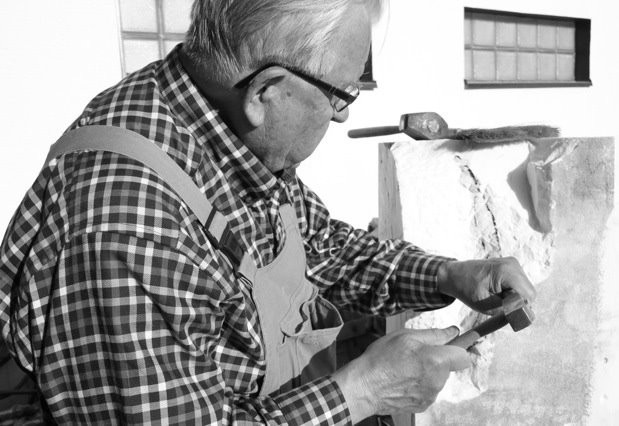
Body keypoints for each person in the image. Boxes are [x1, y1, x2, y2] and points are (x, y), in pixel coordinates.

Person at [0, 0, 536, 424]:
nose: (343, 116)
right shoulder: (127, 226)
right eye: (342, 94)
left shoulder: (221, 127)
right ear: (265, 92)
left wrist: (447, 275)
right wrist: (364, 391)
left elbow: (319, 245)